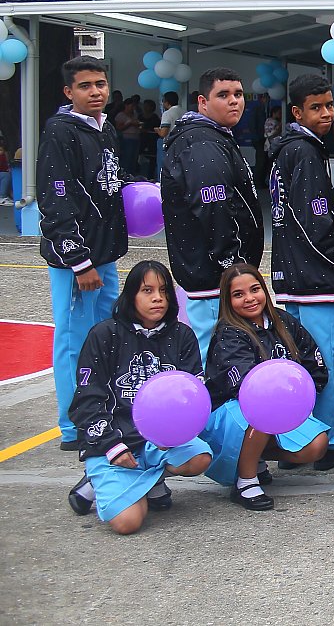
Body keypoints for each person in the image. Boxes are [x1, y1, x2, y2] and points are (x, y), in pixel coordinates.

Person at [65, 261, 212, 534]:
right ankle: (99, 480)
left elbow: (193, 391)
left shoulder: (182, 335)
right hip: (115, 441)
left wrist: (177, 432)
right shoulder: (104, 334)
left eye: (164, 291)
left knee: (200, 457)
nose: (158, 298)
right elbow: (86, 401)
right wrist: (111, 446)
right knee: (128, 523)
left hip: (159, 442)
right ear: (131, 294)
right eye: (148, 290)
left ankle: (150, 478)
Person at [266, 73, 334, 471]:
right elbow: (315, 217)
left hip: (293, 271)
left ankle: (297, 436)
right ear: (297, 112)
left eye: (330, 106)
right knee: (325, 359)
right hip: (316, 274)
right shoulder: (304, 152)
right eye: (315, 107)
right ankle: (325, 440)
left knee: (301, 359)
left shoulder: (289, 149)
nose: (326, 114)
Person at [39, 57, 129, 451]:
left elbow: (107, 185)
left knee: (107, 336)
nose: (95, 92)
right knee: (74, 341)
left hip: (105, 255)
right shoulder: (60, 131)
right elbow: (56, 198)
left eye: (100, 84)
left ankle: (101, 411)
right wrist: (79, 261)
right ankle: (74, 426)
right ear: (68, 92)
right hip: (77, 261)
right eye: (85, 86)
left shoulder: (104, 128)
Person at [201, 263, 331, 511]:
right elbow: (246, 387)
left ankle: (253, 456)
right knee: (261, 411)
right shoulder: (228, 333)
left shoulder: (282, 321)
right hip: (234, 411)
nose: (249, 298)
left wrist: (305, 394)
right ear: (228, 300)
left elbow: (312, 359)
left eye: (255, 289)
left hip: (278, 409)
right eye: (238, 294)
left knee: (317, 445)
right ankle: (246, 481)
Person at [161, 67, 262, 355]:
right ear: (203, 102)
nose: (234, 101)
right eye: (223, 95)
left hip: (217, 275)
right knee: (216, 354)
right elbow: (213, 209)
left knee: (228, 351)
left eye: (238, 94)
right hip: (214, 276)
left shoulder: (216, 137)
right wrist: (233, 266)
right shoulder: (201, 142)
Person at [155, 90, 182, 176]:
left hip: (168, 144)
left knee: (163, 168)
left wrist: (157, 130)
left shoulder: (167, 113)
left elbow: (163, 133)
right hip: (181, 144)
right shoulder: (184, 112)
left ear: (167, 102)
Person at [115, 98, 143, 173]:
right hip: (126, 138)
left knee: (134, 158)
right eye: (131, 106)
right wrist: (129, 123)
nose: (133, 108)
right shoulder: (120, 115)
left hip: (136, 138)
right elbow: (119, 128)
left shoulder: (135, 114)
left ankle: (132, 173)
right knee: (127, 157)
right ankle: (125, 173)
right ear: (126, 105)